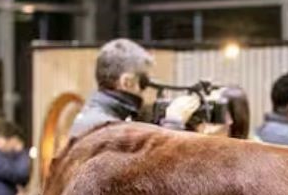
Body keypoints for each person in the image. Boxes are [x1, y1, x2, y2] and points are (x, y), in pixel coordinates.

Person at [68, 38, 197, 139]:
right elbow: (151, 164)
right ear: (127, 82)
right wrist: (173, 123)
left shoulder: (95, 117)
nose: (145, 92)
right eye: (143, 83)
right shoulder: (107, 129)